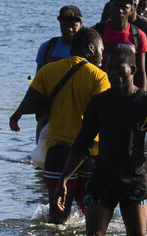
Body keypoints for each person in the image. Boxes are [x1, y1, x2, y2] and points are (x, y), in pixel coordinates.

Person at [55, 46, 147, 236]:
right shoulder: (99, 103)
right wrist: (64, 179)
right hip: (102, 179)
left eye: (118, 69)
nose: (112, 74)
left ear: (133, 70)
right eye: (109, 68)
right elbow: (82, 145)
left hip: (133, 179)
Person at [10, 29, 111, 224]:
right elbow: (102, 116)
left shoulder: (48, 71)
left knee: (57, 217)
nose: (102, 55)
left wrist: (17, 114)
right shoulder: (99, 77)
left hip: (58, 153)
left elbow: (30, 104)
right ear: (91, 48)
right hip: (89, 153)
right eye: (101, 50)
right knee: (91, 216)